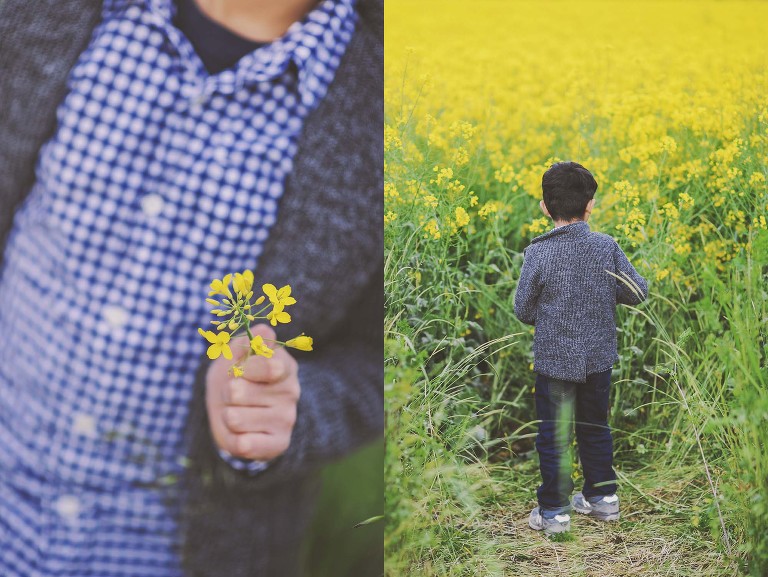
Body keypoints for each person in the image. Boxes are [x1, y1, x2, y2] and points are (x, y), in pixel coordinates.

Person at [0, 0, 383, 575]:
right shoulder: (44, 13)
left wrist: (291, 412)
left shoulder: (387, 94)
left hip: (172, 553)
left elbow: (382, 358)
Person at [513, 161, 648, 535]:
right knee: (595, 427)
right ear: (590, 205)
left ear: (545, 207)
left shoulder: (538, 253)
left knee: (554, 436)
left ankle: (555, 512)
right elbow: (637, 292)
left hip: (555, 363)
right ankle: (603, 499)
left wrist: (552, 315)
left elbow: (523, 309)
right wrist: (603, 292)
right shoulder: (605, 246)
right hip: (598, 360)